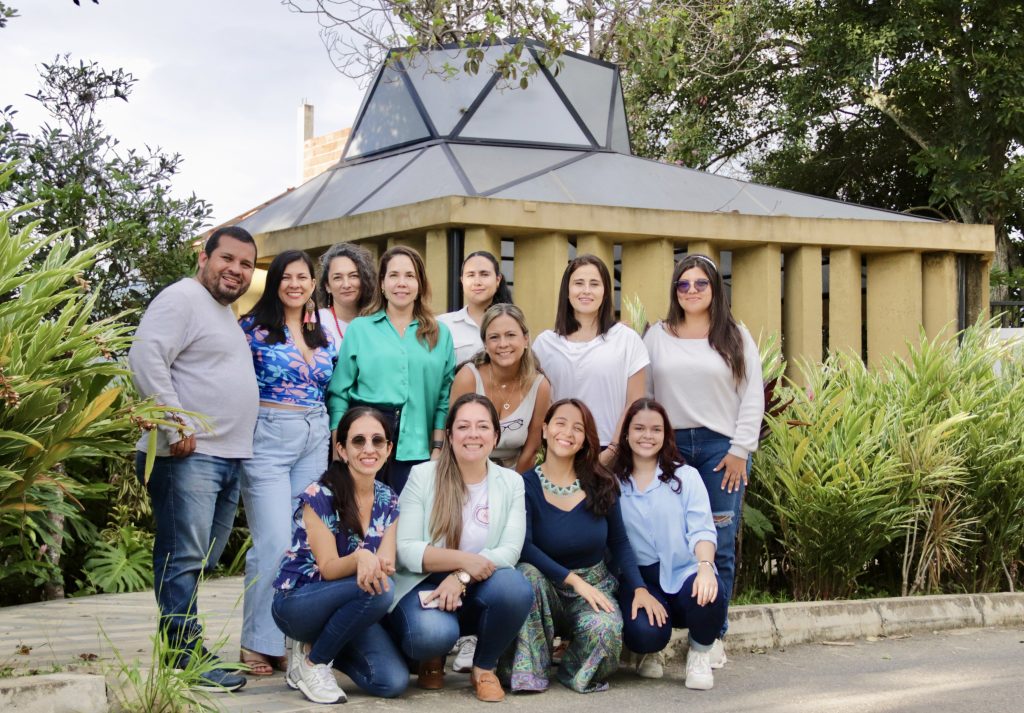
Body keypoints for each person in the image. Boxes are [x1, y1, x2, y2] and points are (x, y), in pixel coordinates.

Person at [128, 225, 259, 692]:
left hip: (226, 455)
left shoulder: (222, 313)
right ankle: (184, 656)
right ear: (204, 257)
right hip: (191, 454)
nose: (236, 270)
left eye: (245, 264)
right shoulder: (182, 297)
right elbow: (145, 357)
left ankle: (180, 643)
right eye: (228, 259)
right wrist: (173, 423)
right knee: (183, 556)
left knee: (200, 557)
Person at [643, 254, 764, 667]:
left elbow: (753, 395)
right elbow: (645, 395)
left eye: (700, 284)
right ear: (675, 290)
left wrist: (740, 450)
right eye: (683, 284)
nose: (692, 291)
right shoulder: (657, 335)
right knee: (664, 539)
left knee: (719, 543)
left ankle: (712, 636)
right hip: (669, 446)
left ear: (715, 288)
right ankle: (658, 636)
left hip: (720, 450)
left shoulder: (735, 334)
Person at [503, 398, 666, 694]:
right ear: (545, 429)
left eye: (578, 428)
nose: (567, 432)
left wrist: (639, 587)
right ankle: (530, 671)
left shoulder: (602, 483)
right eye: (560, 423)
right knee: (525, 575)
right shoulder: (523, 485)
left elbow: (619, 542)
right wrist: (573, 580)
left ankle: (571, 670)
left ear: (584, 441)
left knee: (606, 631)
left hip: (594, 586)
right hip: (546, 586)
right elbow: (523, 547)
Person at [388, 393, 533, 703]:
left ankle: (483, 668)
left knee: (516, 588)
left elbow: (510, 551)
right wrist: (465, 562)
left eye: (482, 427)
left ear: (495, 436)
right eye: (463, 426)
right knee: (431, 636)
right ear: (450, 435)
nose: (473, 434)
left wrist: (462, 576)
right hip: (423, 586)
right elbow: (407, 550)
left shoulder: (511, 483)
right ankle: (433, 655)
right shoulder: (423, 476)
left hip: (476, 586)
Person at [238, 250, 337, 676]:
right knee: (274, 540)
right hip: (270, 435)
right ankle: (256, 642)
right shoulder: (253, 328)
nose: (295, 284)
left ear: (313, 284)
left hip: (315, 434)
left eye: (303, 277)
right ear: (275, 281)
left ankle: (284, 639)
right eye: (287, 277)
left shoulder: (320, 331)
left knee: (305, 540)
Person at [271, 407, 405, 704]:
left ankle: (323, 646)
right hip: (298, 604)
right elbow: (329, 569)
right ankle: (312, 662)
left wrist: (378, 564)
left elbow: (387, 563)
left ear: (388, 449)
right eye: (358, 441)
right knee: (381, 590)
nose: (368, 449)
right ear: (342, 449)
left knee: (391, 681)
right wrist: (362, 559)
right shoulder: (319, 495)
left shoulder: (389, 499)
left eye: (377, 441)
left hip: (350, 604)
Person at [610, 398, 726, 690]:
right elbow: (615, 542)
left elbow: (702, 530)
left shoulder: (686, 477)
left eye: (655, 429)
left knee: (711, 593)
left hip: (685, 569)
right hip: (643, 579)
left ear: (665, 435)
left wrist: (704, 567)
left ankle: (699, 653)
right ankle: (650, 650)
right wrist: (637, 588)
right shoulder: (614, 485)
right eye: (638, 428)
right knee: (643, 633)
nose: (647, 436)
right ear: (626, 434)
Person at [327, 246, 455, 494]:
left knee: (408, 526)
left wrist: (437, 449)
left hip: (417, 448)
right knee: (361, 525)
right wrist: (338, 447)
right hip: (364, 444)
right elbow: (339, 393)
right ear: (382, 284)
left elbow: (443, 397)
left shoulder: (441, 334)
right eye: (393, 275)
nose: (402, 283)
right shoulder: (360, 329)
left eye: (410, 276)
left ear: (420, 284)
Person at [532, 255, 648, 461]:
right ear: (567, 291)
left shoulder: (627, 339)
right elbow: (540, 403)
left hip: (612, 451)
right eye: (578, 283)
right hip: (560, 450)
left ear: (605, 293)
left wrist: (613, 451)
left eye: (594, 284)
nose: (586, 290)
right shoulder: (544, 344)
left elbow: (635, 403)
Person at [449, 303, 551, 473]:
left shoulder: (540, 386)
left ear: (525, 339)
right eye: (494, 337)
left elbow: (532, 448)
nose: (503, 344)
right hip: (466, 472)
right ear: (485, 344)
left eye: (510, 335)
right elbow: (453, 438)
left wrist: (511, 487)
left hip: (515, 475)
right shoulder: (468, 378)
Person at [438, 250, 512, 364]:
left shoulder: (513, 322)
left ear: (498, 280)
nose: (477, 282)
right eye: (471, 275)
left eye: (484, 274)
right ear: (462, 280)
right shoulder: (442, 325)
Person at [316, 242, 377, 345]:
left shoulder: (378, 321)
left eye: (353, 276)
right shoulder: (317, 321)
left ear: (364, 280)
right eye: (337, 278)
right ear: (327, 286)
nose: (346, 284)